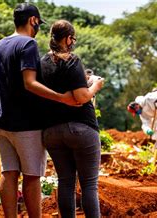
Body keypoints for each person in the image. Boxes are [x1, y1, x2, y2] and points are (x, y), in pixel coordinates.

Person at [0, 3, 77, 218]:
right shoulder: (28, 44)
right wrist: (61, 98)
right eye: (38, 22)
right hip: (26, 125)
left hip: (1, 122)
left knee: (8, 173)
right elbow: (30, 83)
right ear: (33, 20)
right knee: (32, 176)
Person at [40, 20, 104, 218]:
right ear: (68, 39)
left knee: (65, 181)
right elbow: (82, 97)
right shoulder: (72, 60)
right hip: (81, 127)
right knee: (89, 185)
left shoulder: (42, 62)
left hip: (51, 131)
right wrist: (95, 86)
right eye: (73, 39)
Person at [127, 88, 157, 153]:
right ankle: (155, 150)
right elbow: (145, 123)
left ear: (137, 106)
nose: (137, 113)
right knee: (154, 133)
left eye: (135, 112)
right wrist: (147, 130)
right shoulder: (142, 114)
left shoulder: (149, 98)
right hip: (156, 115)